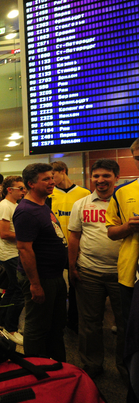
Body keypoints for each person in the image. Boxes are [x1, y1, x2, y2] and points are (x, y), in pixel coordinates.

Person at [68, 159, 125, 380]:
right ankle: (92, 364)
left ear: (116, 178)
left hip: (124, 273)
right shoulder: (81, 204)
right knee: (89, 323)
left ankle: (125, 367)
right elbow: (74, 237)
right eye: (96, 176)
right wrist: (72, 267)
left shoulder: (125, 201)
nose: (100, 180)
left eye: (106, 175)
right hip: (89, 271)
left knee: (125, 323)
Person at [13, 163, 68, 362]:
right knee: (37, 328)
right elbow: (24, 249)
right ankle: (35, 368)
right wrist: (35, 285)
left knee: (55, 326)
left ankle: (58, 366)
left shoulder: (42, 205)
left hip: (53, 275)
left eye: (52, 177)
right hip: (41, 278)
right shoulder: (26, 211)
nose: (52, 182)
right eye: (46, 179)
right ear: (31, 184)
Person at [48, 161, 90, 333]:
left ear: (63, 171)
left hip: (76, 247)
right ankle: (57, 320)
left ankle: (74, 320)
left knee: (75, 284)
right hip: (56, 247)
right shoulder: (50, 194)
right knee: (56, 285)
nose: (51, 180)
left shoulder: (84, 193)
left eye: (53, 176)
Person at [106, 137, 139, 327]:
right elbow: (111, 232)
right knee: (131, 325)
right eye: (138, 158)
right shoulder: (122, 192)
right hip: (130, 272)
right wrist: (128, 227)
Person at [0, 176, 26, 345]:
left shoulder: (13, 205)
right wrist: (27, 236)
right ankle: (11, 328)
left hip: (14, 253)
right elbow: (5, 233)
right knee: (20, 290)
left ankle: (1, 321)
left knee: (13, 288)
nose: (23, 191)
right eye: (20, 188)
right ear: (9, 190)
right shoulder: (5, 206)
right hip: (11, 254)